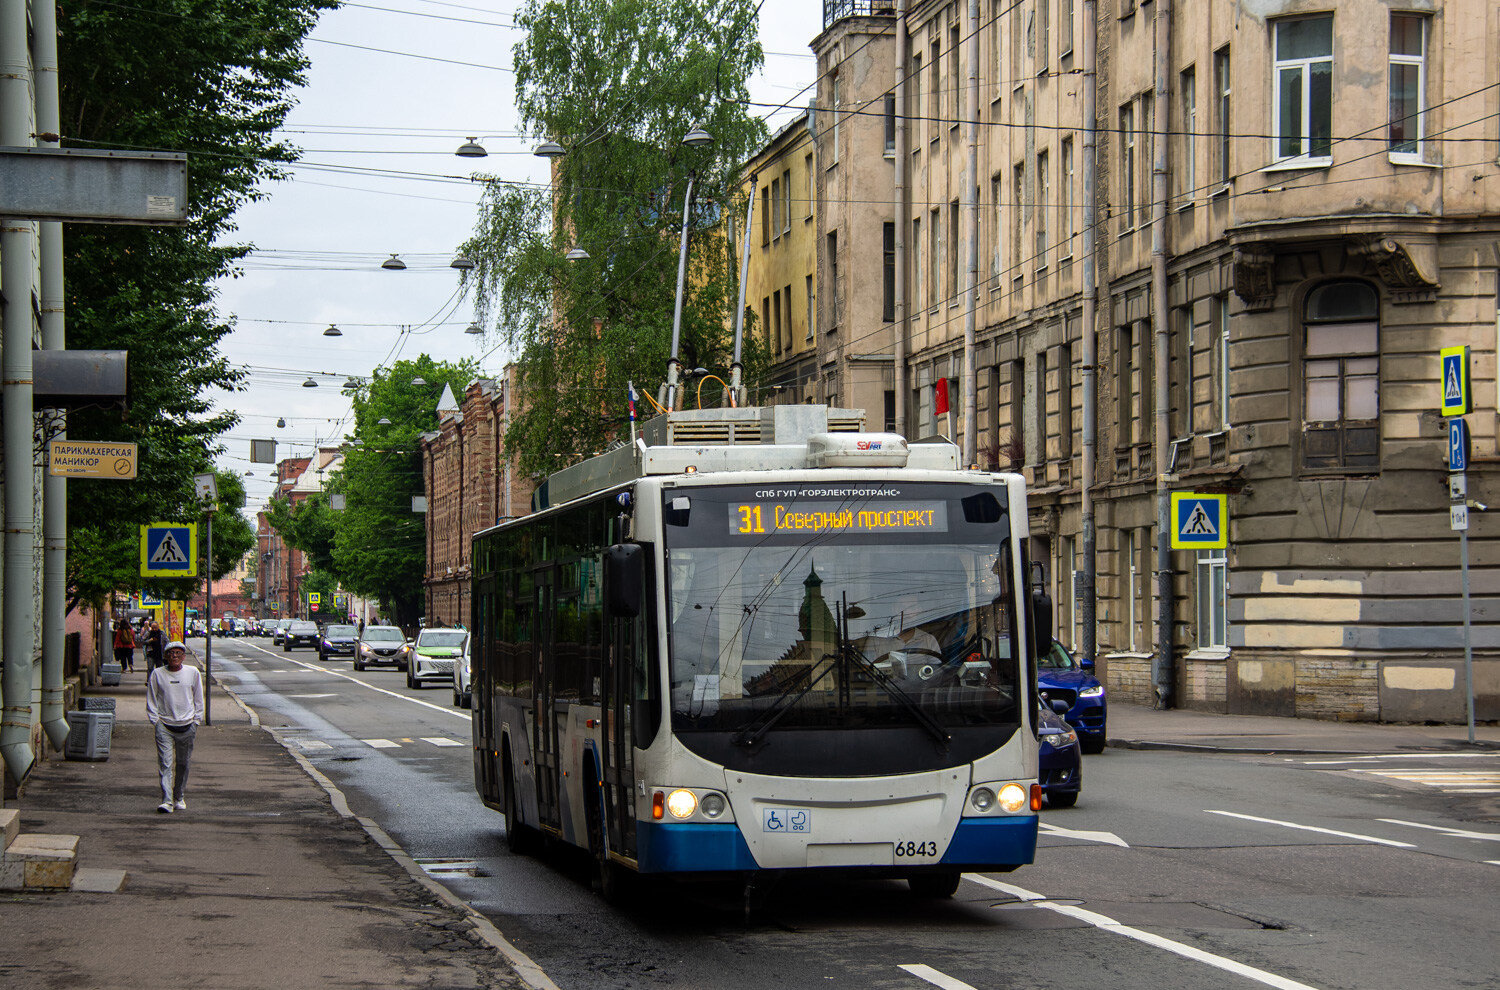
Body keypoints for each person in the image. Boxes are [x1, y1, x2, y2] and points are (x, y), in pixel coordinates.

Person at [145, 641, 204, 814]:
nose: (174, 656)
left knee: (183, 764)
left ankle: (179, 796)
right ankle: (167, 800)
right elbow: (152, 699)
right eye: (171, 653)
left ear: (184, 656)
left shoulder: (192, 673)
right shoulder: (157, 674)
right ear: (165, 656)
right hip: (164, 725)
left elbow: (199, 698)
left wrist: (197, 720)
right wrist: (155, 720)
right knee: (165, 763)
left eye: (178, 653)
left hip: (187, 725)